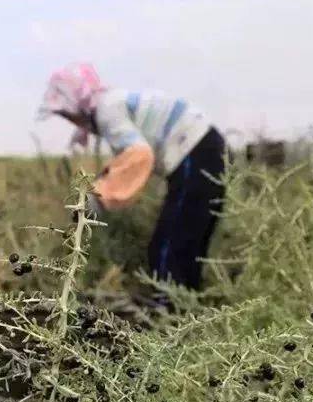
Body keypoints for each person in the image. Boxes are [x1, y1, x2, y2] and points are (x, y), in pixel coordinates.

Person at [38, 63, 226, 292]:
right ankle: (187, 310)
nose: (70, 120)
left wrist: (97, 198)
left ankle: (169, 314)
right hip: (205, 147)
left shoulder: (107, 110)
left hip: (194, 151)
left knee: (167, 248)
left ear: (77, 101)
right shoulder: (111, 103)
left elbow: (138, 154)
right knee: (189, 242)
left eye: (67, 113)